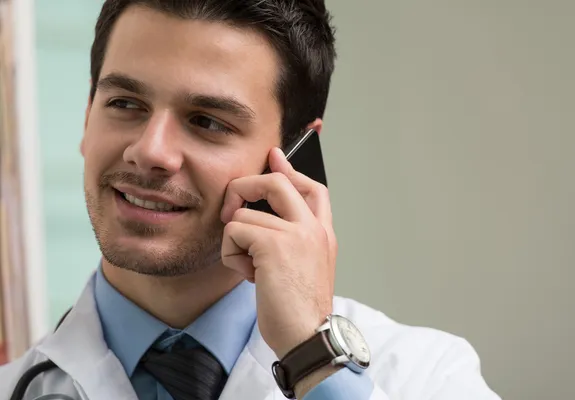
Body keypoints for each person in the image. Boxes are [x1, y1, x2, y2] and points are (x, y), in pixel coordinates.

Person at [0, 1, 501, 399]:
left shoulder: (427, 377)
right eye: (125, 104)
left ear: (293, 157)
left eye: (207, 121)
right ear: (88, 116)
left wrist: (314, 359)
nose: (149, 151)